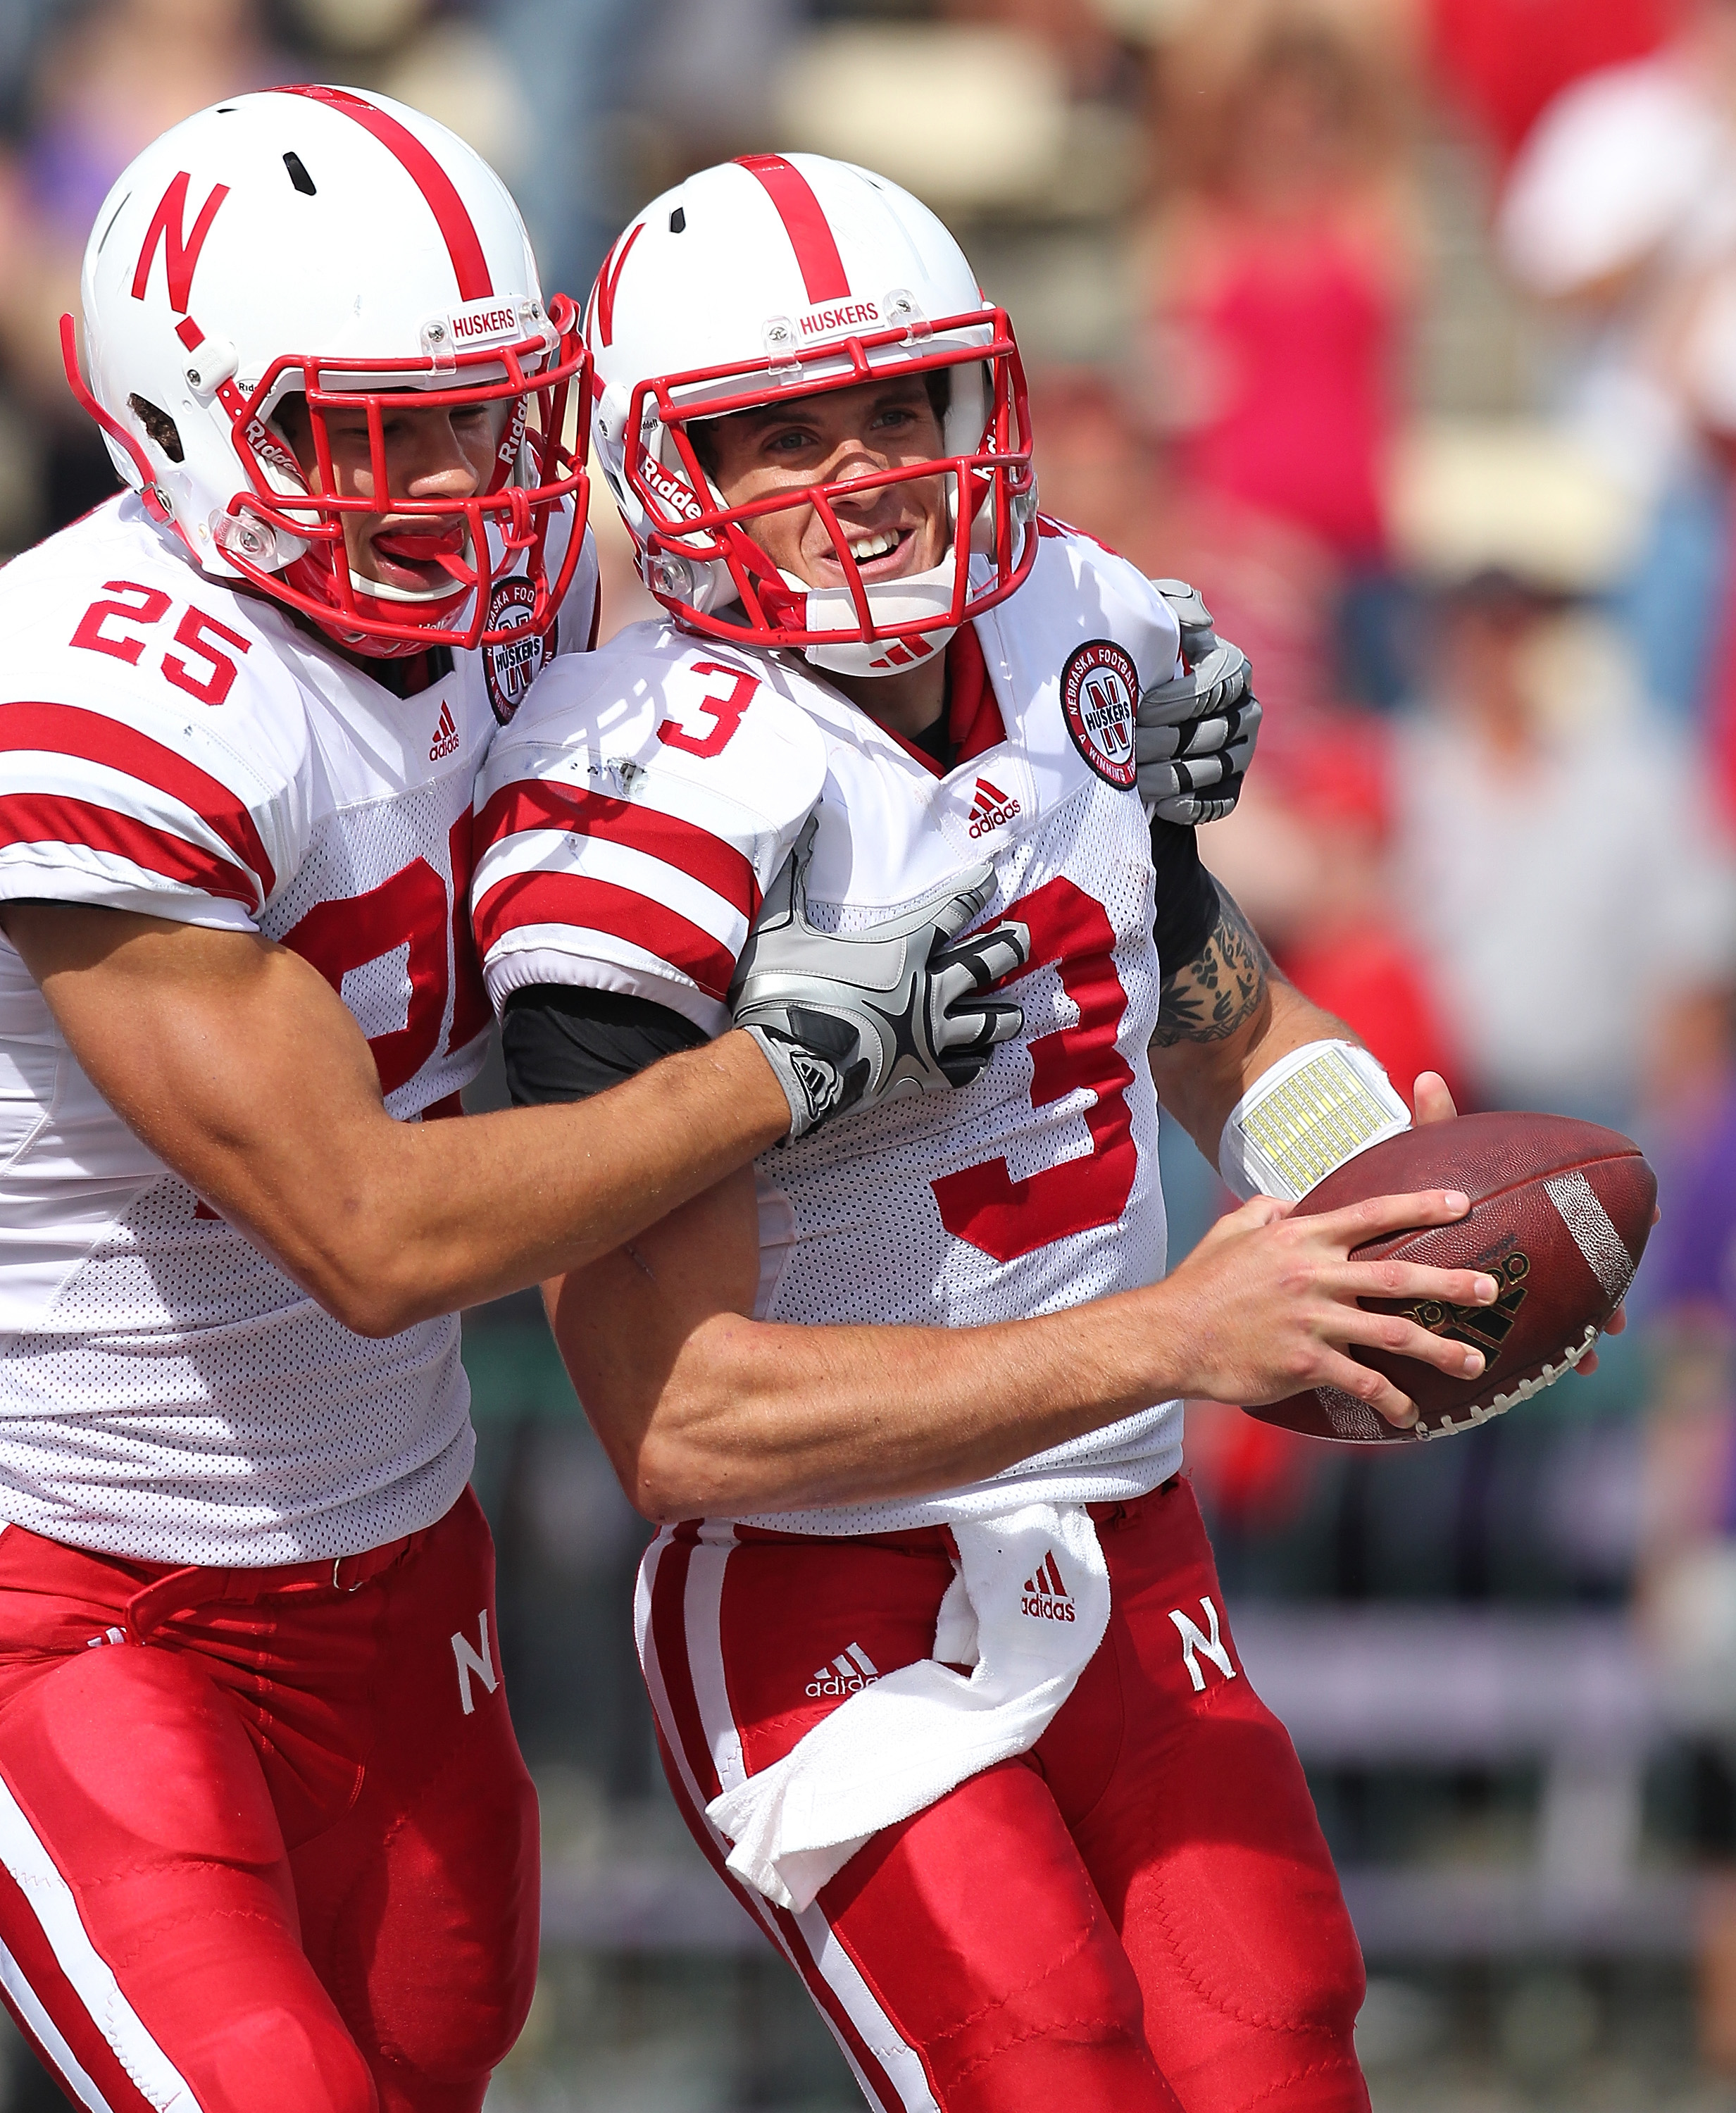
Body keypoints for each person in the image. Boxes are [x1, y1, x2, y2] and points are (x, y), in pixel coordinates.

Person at [473, 153, 1532, 2112]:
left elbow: (1193, 992)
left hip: (1123, 1536)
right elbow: (675, 1419)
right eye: (775, 431)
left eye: (897, 403)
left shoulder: (1081, 618)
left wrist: (1365, 1175)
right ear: (657, 466)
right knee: (1047, 2061)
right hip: (820, 1589)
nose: (863, 467)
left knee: (1284, 2040)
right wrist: (1173, 1339)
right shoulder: (639, 790)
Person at [0, 94, 1018, 2113]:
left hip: (395, 1554)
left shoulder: (519, 597)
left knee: (430, 2063)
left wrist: (1094, 679)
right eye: (373, 433)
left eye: (486, 413)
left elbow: (848, 643)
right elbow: (375, 1238)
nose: (460, 480)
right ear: (180, 425)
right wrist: (780, 1067)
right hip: (76, 1581)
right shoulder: (104, 696)